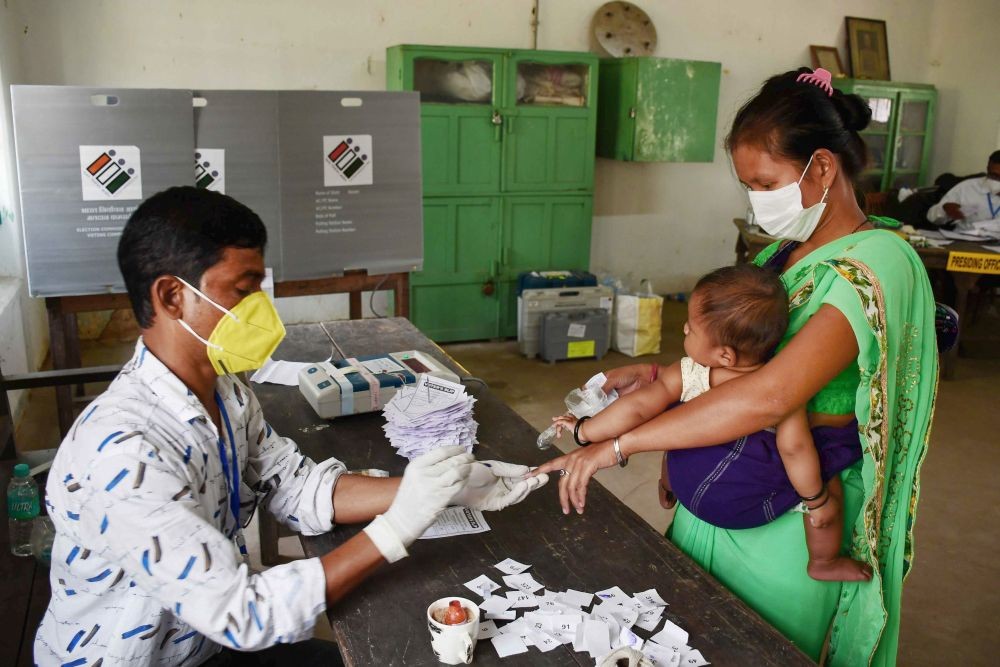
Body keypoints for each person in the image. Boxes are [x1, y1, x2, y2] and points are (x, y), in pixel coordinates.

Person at [35, 187, 548, 667]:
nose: (262, 309)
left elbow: (296, 486)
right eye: (242, 290)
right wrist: (394, 530)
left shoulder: (226, 391)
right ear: (172, 297)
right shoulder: (126, 451)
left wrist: (443, 489)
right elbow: (246, 614)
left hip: (202, 645)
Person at [534, 67, 938, 666]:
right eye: (748, 185)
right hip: (712, 471)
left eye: (765, 182)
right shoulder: (783, 253)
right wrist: (655, 373)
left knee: (750, 645)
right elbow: (732, 356)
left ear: (822, 168)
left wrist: (619, 446)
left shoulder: (878, 263)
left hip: (788, 502)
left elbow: (769, 397)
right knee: (678, 627)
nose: (756, 200)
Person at [551, 264, 871, 582]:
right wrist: (817, 502)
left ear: (725, 356)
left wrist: (585, 430)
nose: (684, 330)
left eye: (690, 328)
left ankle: (670, 483)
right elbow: (795, 449)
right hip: (741, 506)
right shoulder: (784, 395)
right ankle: (823, 562)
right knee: (827, 477)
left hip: (686, 485)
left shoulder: (691, 373)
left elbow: (636, 408)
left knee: (677, 415)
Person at [926, 150, 1000, 227]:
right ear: (988, 169)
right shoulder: (967, 187)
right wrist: (945, 210)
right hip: (966, 236)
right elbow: (932, 218)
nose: (998, 181)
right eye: (994, 175)